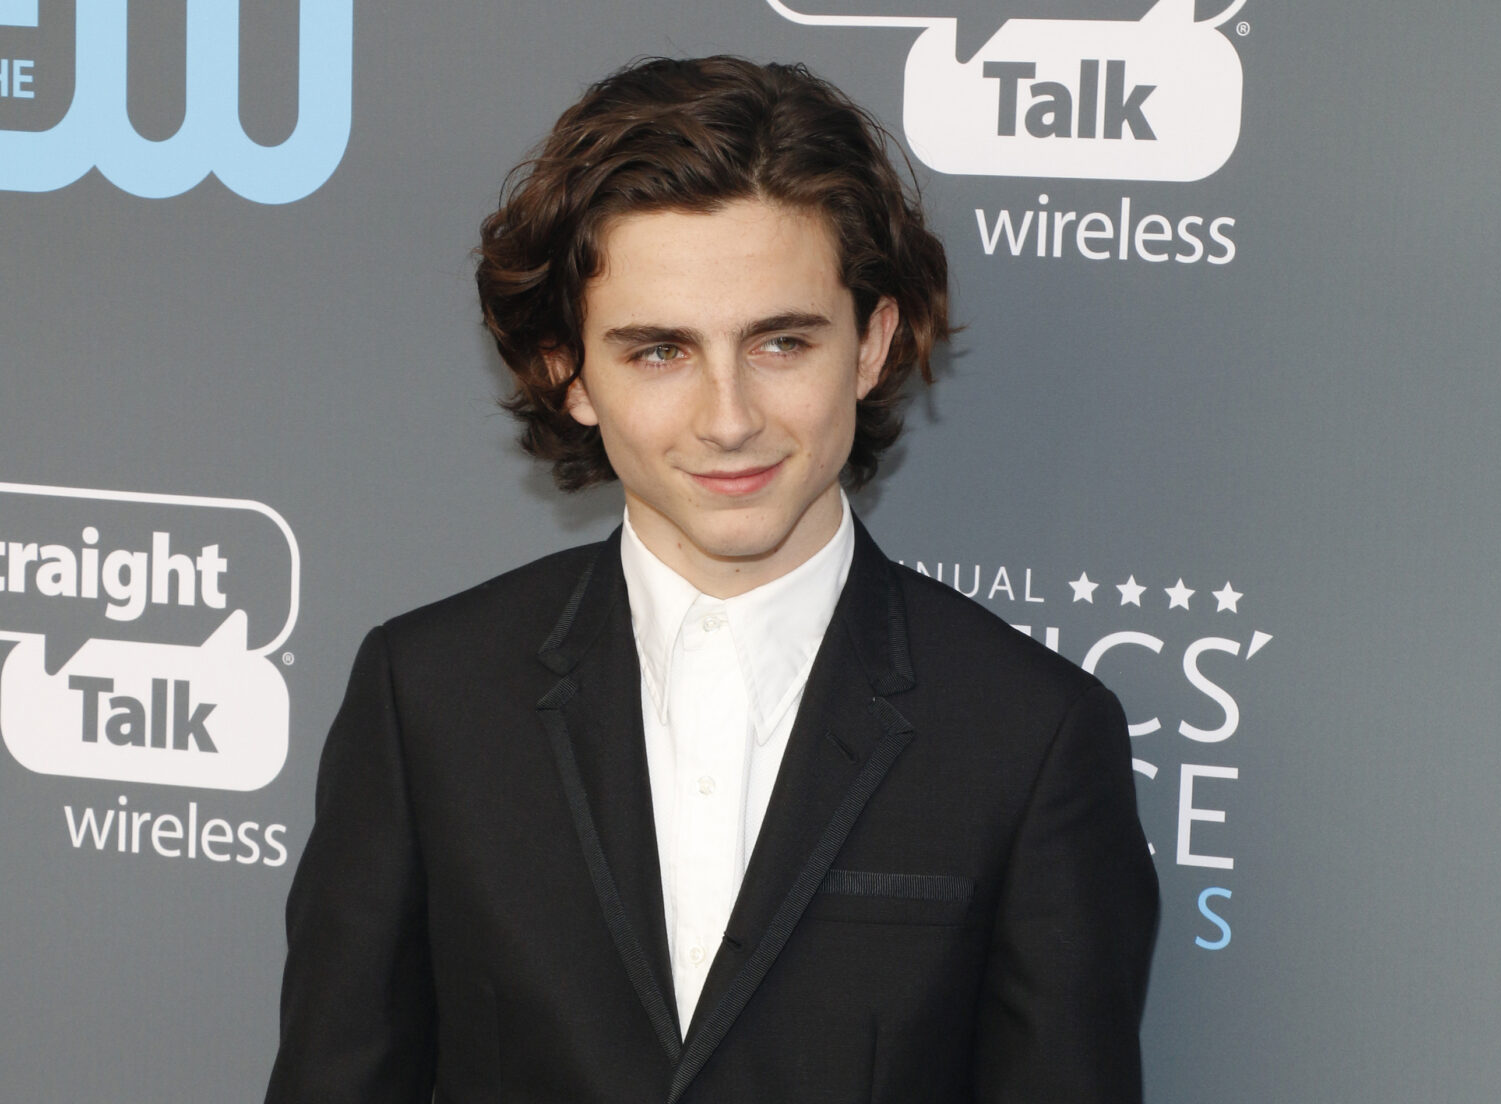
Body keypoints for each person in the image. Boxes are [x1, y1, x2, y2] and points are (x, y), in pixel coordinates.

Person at [265, 56, 1157, 1104]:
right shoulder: (427, 698)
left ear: (871, 345)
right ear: (566, 371)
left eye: (781, 342)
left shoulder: (1032, 738)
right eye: (659, 352)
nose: (728, 419)